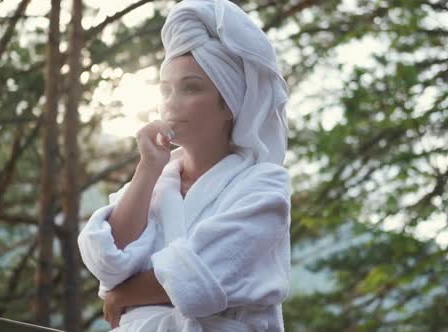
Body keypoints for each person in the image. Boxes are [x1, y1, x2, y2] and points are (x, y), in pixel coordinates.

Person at [78, 0, 292, 330]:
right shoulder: (155, 180)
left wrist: (124, 295)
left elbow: (203, 277)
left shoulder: (264, 185)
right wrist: (147, 168)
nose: (171, 103)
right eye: (165, 90)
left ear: (229, 105)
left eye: (190, 88)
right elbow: (109, 261)